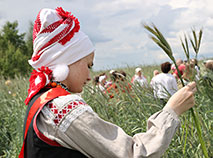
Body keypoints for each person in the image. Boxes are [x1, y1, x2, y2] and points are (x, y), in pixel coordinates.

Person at [20, 7, 197, 158]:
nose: (90, 76)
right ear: (68, 59)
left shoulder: (41, 100)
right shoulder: (63, 108)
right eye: (88, 64)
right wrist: (171, 111)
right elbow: (132, 153)